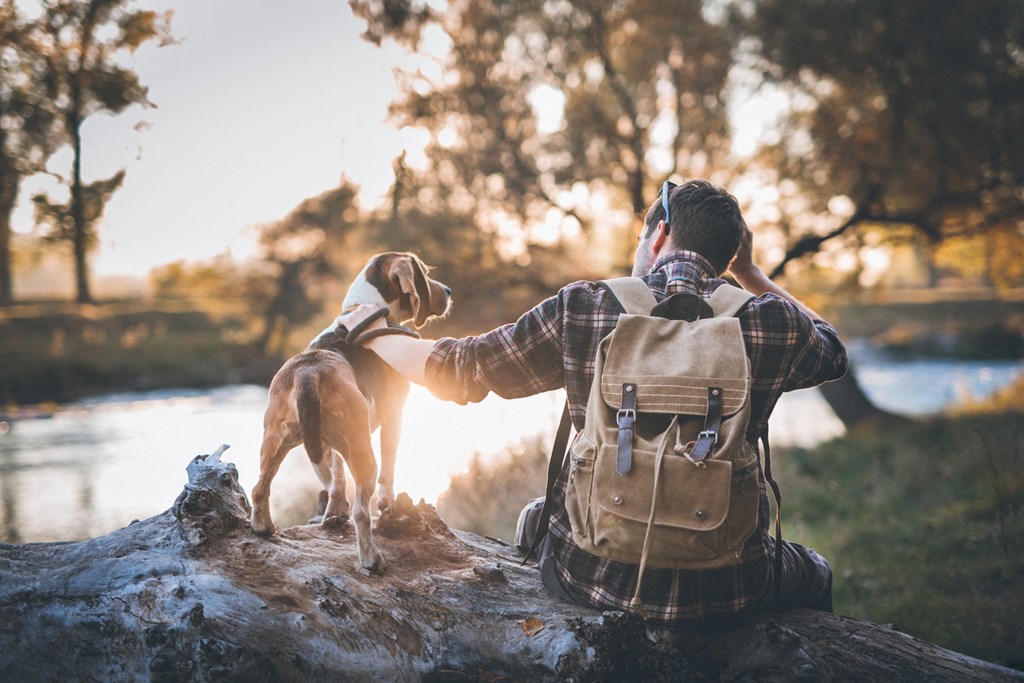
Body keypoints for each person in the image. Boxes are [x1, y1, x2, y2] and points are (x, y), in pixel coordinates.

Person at [339, 178, 848, 631]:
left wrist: (370, 331)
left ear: (661, 232)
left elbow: (458, 369)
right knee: (815, 570)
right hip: (733, 586)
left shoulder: (586, 306)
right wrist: (752, 273)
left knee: (539, 517)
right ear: (728, 254)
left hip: (589, 575)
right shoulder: (770, 323)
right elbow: (833, 350)